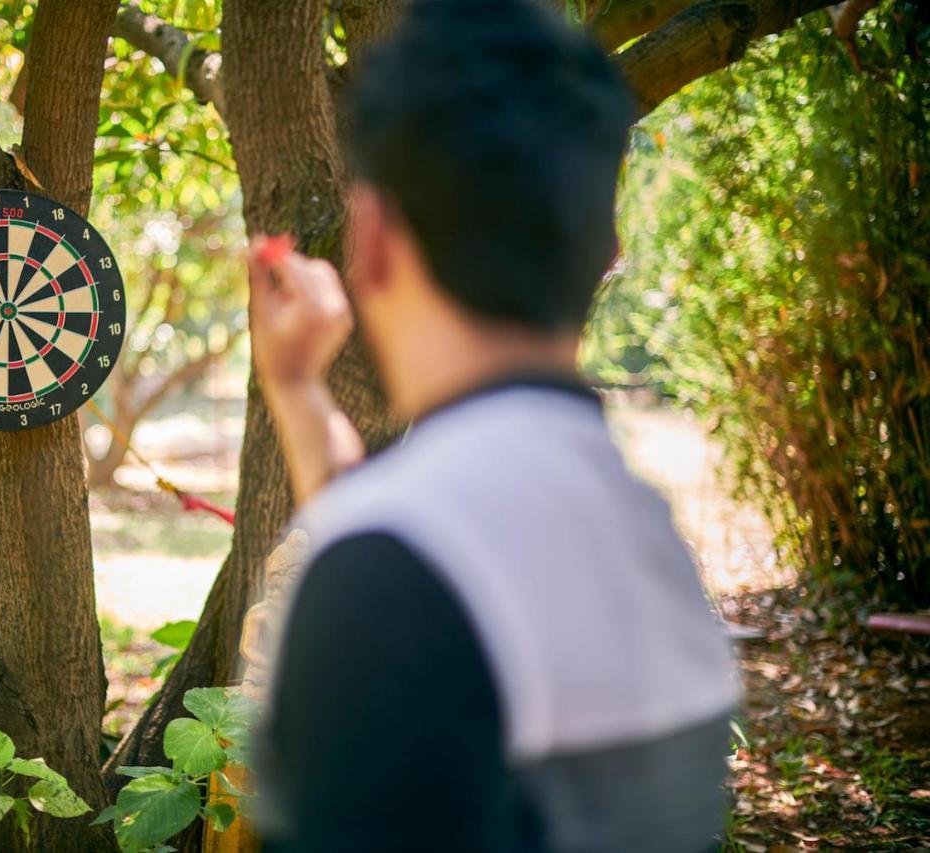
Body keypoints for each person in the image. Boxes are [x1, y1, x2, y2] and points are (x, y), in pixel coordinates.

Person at [246, 1, 741, 850]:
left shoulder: (385, 578)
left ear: (369, 240)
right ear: (605, 250)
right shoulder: (647, 539)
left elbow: (405, 564)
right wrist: (296, 387)